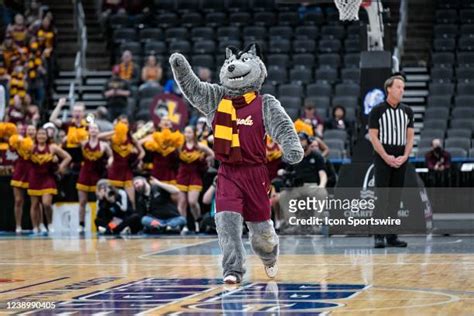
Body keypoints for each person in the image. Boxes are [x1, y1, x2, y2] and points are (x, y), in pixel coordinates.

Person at [368, 73, 414, 248]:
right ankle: (379, 235)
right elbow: (373, 136)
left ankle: (392, 236)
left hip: (400, 158)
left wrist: (405, 156)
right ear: (389, 89)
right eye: (398, 87)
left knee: (395, 198)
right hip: (382, 157)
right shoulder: (377, 110)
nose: (402, 90)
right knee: (382, 197)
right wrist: (386, 156)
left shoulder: (407, 111)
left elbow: (410, 137)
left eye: (403, 88)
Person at [277, 132, 328, 234]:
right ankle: (293, 224)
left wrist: (322, 185)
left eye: (302, 140)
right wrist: (283, 172)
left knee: (322, 193)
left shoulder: (316, 156)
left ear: (308, 142)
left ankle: (315, 224)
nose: (299, 143)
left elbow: (323, 174)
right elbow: (287, 172)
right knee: (282, 196)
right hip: (297, 186)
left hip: (312, 186)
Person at [27, 127, 72, 233]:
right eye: (39, 134)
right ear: (36, 136)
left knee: (46, 204)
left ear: (47, 136)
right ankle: (35, 227)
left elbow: (68, 157)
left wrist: (60, 167)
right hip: (34, 178)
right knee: (34, 205)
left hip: (48, 178)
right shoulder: (31, 147)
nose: (41, 136)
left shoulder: (52, 147)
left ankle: (50, 223)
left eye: (43, 134)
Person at [76, 123, 113, 233]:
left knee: (100, 201)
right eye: (91, 128)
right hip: (84, 174)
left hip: (97, 175)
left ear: (99, 131)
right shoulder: (83, 143)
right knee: (82, 201)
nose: (93, 130)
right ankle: (81, 225)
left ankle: (100, 223)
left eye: (95, 128)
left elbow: (111, 155)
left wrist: (110, 162)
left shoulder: (104, 145)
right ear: (88, 131)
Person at [176, 126, 214, 232]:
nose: (187, 134)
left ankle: (198, 221)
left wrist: (207, 161)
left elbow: (212, 154)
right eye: (186, 132)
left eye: (189, 132)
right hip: (182, 176)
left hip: (195, 176)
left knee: (192, 202)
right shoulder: (180, 146)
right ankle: (183, 225)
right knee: (182, 203)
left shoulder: (200, 146)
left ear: (194, 134)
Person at [102, 116, 145, 210]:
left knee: (132, 200)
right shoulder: (112, 137)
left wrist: (137, 161)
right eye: (122, 123)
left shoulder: (131, 138)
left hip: (127, 171)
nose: (124, 125)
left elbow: (142, 152)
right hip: (114, 171)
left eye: (126, 123)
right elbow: (98, 137)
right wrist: (116, 131)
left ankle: (132, 220)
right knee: (112, 198)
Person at [49, 98, 88, 172]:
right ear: (72, 113)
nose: (77, 113)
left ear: (83, 113)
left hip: (82, 156)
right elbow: (52, 119)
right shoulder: (68, 124)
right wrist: (59, 105)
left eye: (79, 111)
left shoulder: (88, 126)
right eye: (76, 111)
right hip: (69, 154)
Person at [9, 124, 36, 233]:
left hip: (34, 171)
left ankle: (37, 225)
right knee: (18, 200)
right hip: (20, 171)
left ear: (36, 131)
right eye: (28, 129)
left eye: (32, 130)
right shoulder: (21, 141)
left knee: (36, 201)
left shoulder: (40, 143)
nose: (30, 131)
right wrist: (17, 140)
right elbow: (11, 148)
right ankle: (18, 226)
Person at [141, 117, 183, 184]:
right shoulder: (153, 136)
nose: (166, 122)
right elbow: (138, 143)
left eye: (168, 120)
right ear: (159, 124)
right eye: (163, 120)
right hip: (157, 171)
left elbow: (181, 154)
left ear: (171, 124)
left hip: (171, 172)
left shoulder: (177, 138)